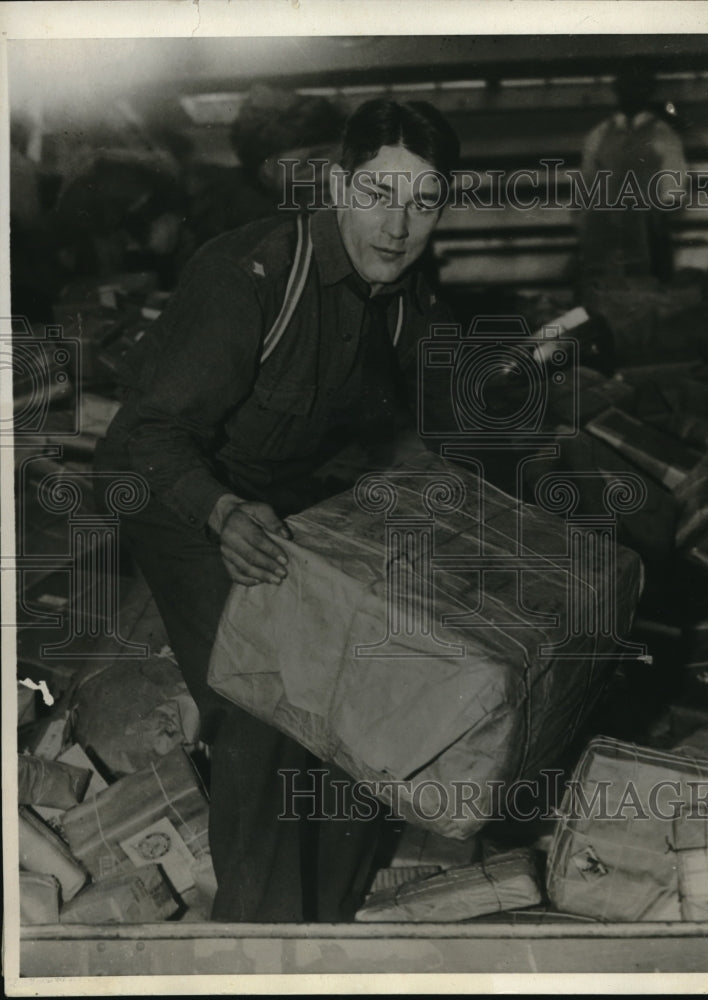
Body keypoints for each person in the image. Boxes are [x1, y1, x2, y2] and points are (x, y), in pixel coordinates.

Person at [94, 98, 460, 922]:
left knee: (374, 687)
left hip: (281, 494)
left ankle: (326, 924)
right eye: (378, 193)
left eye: (424, 200)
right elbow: (150, 437)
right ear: (338, 185)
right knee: (265, 700)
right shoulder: (255, 273)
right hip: (178, 492)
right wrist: (224, 514)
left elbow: (395, 425)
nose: (398, 225)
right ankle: (256, 942)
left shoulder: (401, 297)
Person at [578, 56, 689, 290]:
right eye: (627, 85)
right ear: (616, 89)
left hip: (649, 238)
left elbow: (674, 190)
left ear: (649, 90)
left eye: (640, 85)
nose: (632, 92)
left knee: (650, 302)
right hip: (604, 236)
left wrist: (650, 219)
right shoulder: (598, 135)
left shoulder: (664, 134)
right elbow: (586, 186)